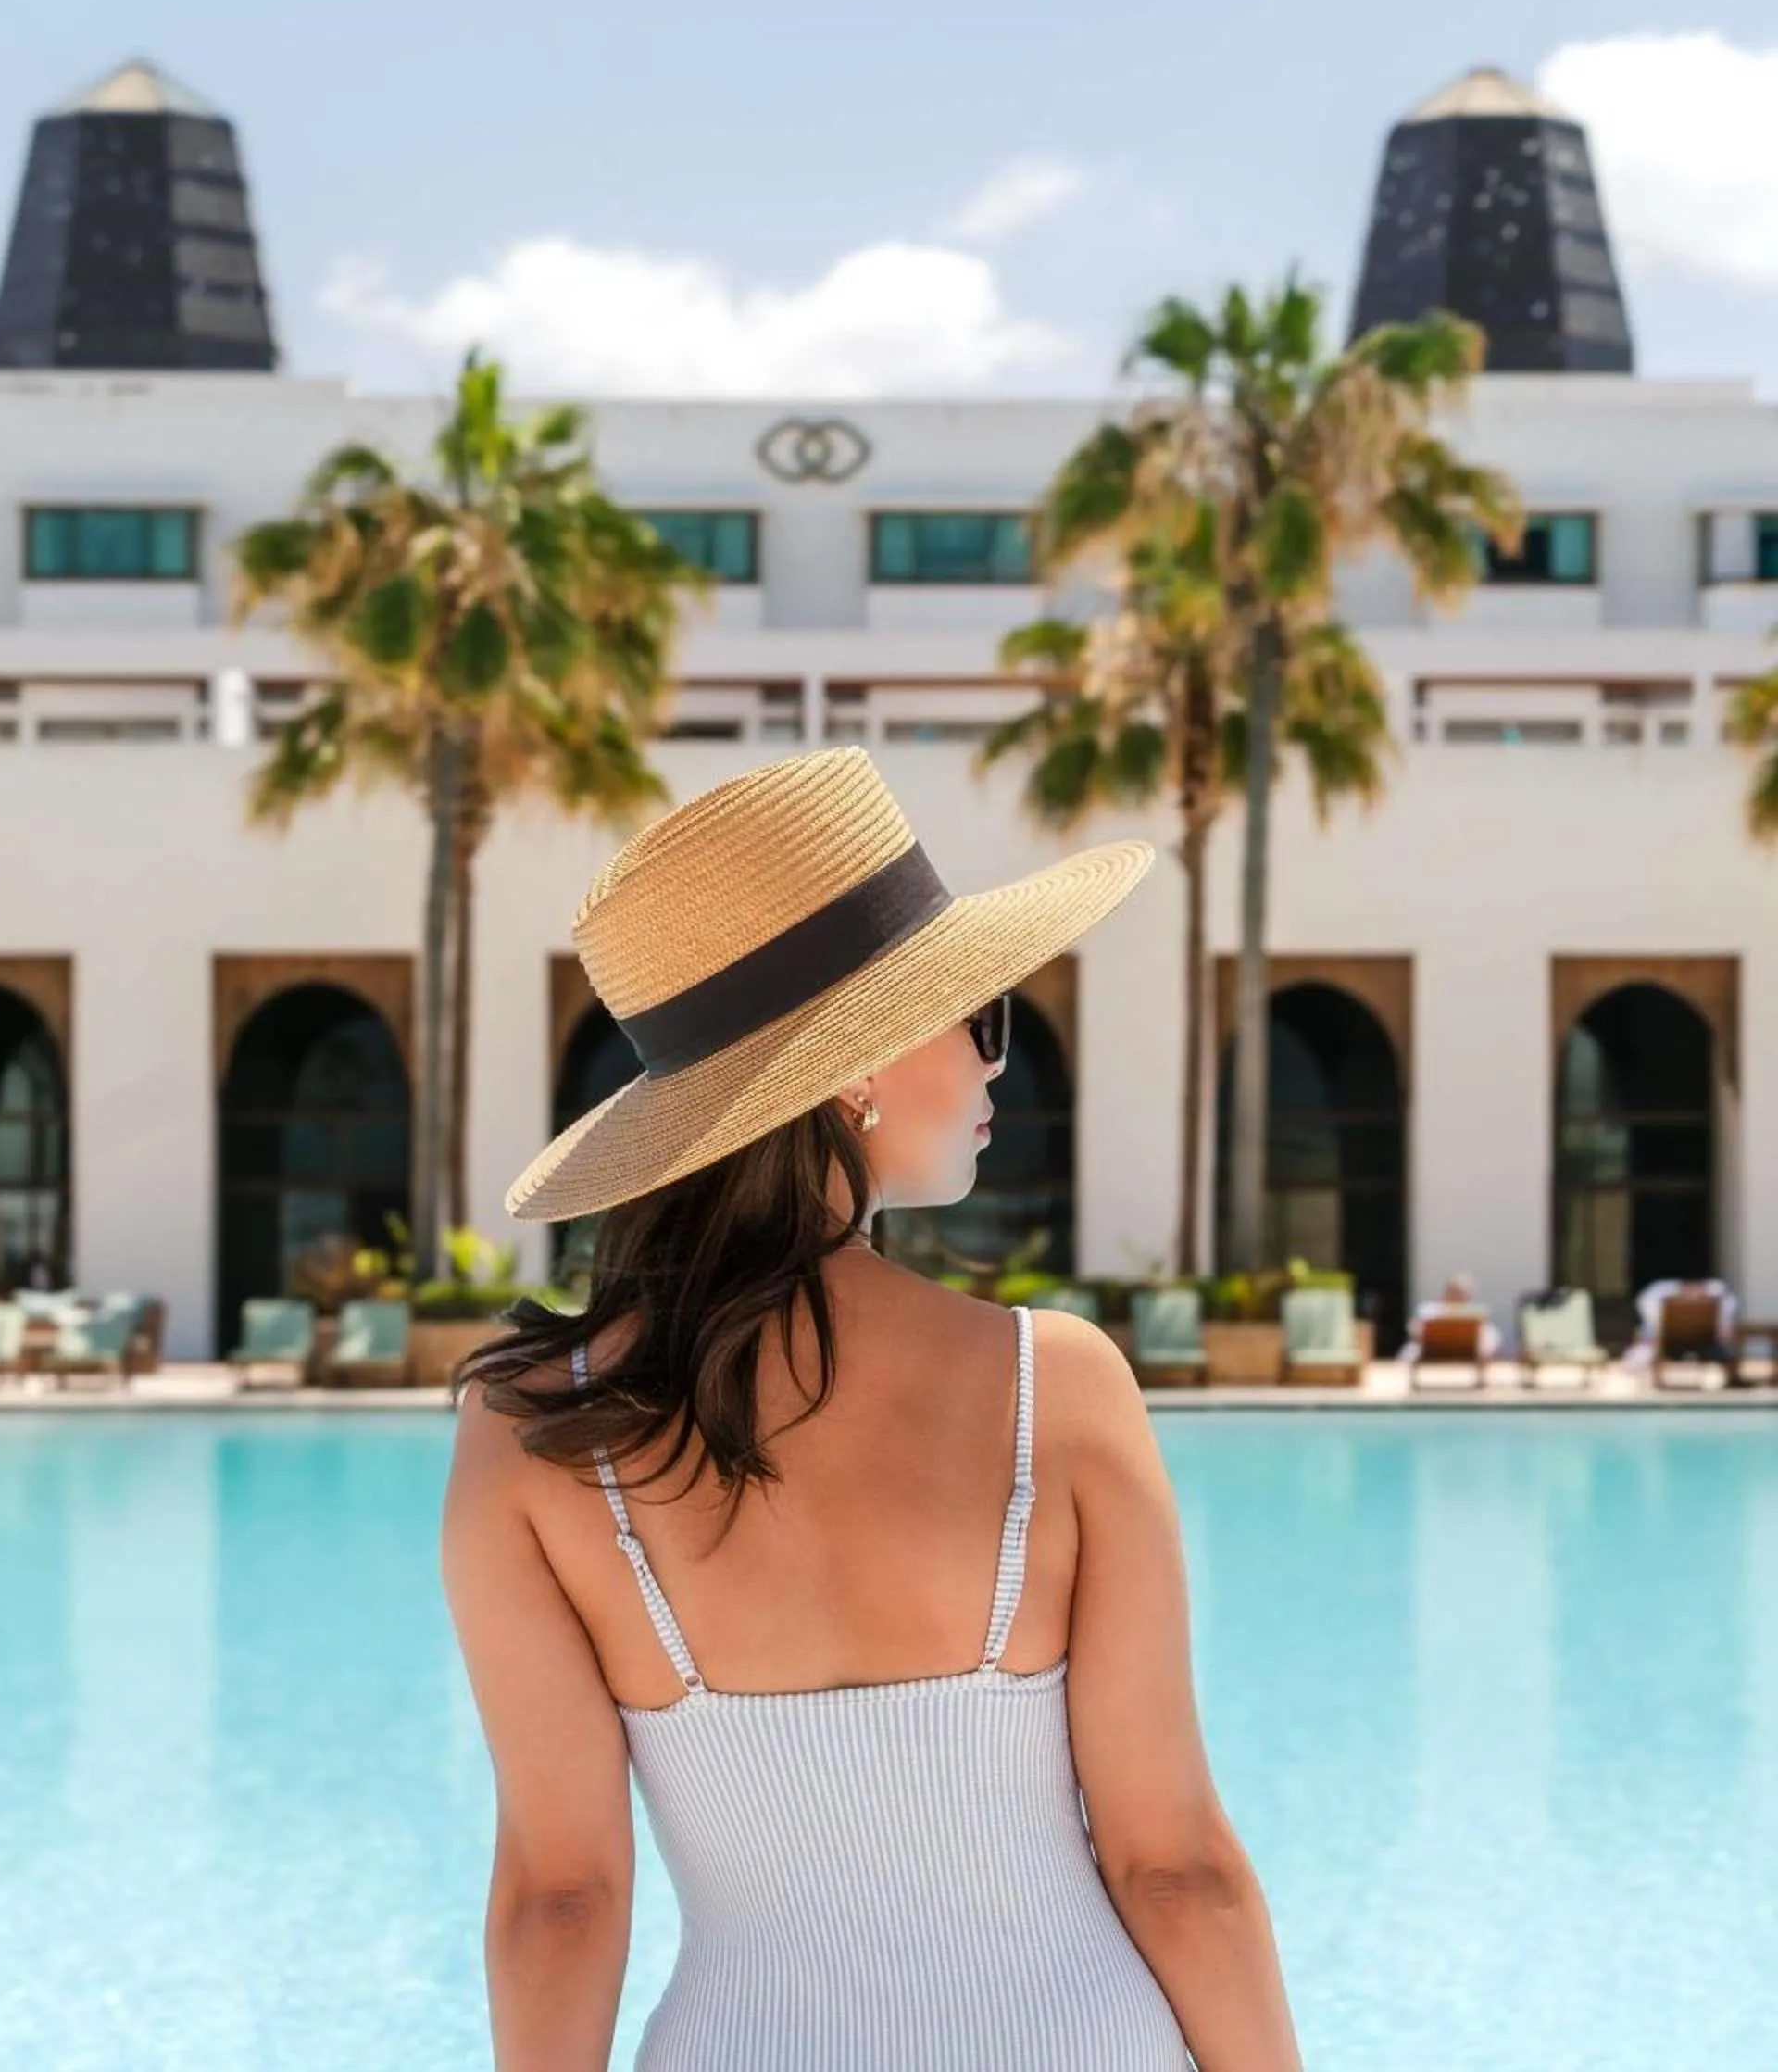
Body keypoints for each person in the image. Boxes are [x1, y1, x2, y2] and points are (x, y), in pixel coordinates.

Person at [441, 747, 1298, 2072]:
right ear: (854, 1071)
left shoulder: (537, 1433)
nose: (999, 1063)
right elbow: (1174, 1863)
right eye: (984, 1014)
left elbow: (563, 1899)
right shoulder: (1054, 1387)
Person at [1400, 1271, 1500, 1363]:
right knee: (1410, 1351)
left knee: (1487, 1343)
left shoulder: (1475, 1314)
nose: (1458, 1296)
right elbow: (1414, 1329)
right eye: (1454, 1292)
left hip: (1467, 1352)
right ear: (1447, 1292)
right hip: (1431, 1351)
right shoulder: (1430, 1310)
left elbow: (1491, 1337)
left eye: (1462, 1293)